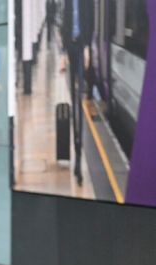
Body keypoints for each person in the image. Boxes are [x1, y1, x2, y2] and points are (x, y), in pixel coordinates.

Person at [61, 0, 93, 185]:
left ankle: (79, 157)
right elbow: (65, 23)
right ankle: (76, 146)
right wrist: (64, 52)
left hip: (81, 48)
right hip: (71, 48)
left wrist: (88, 47)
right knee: (74, 100)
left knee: (79, 97)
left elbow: (90, 22)